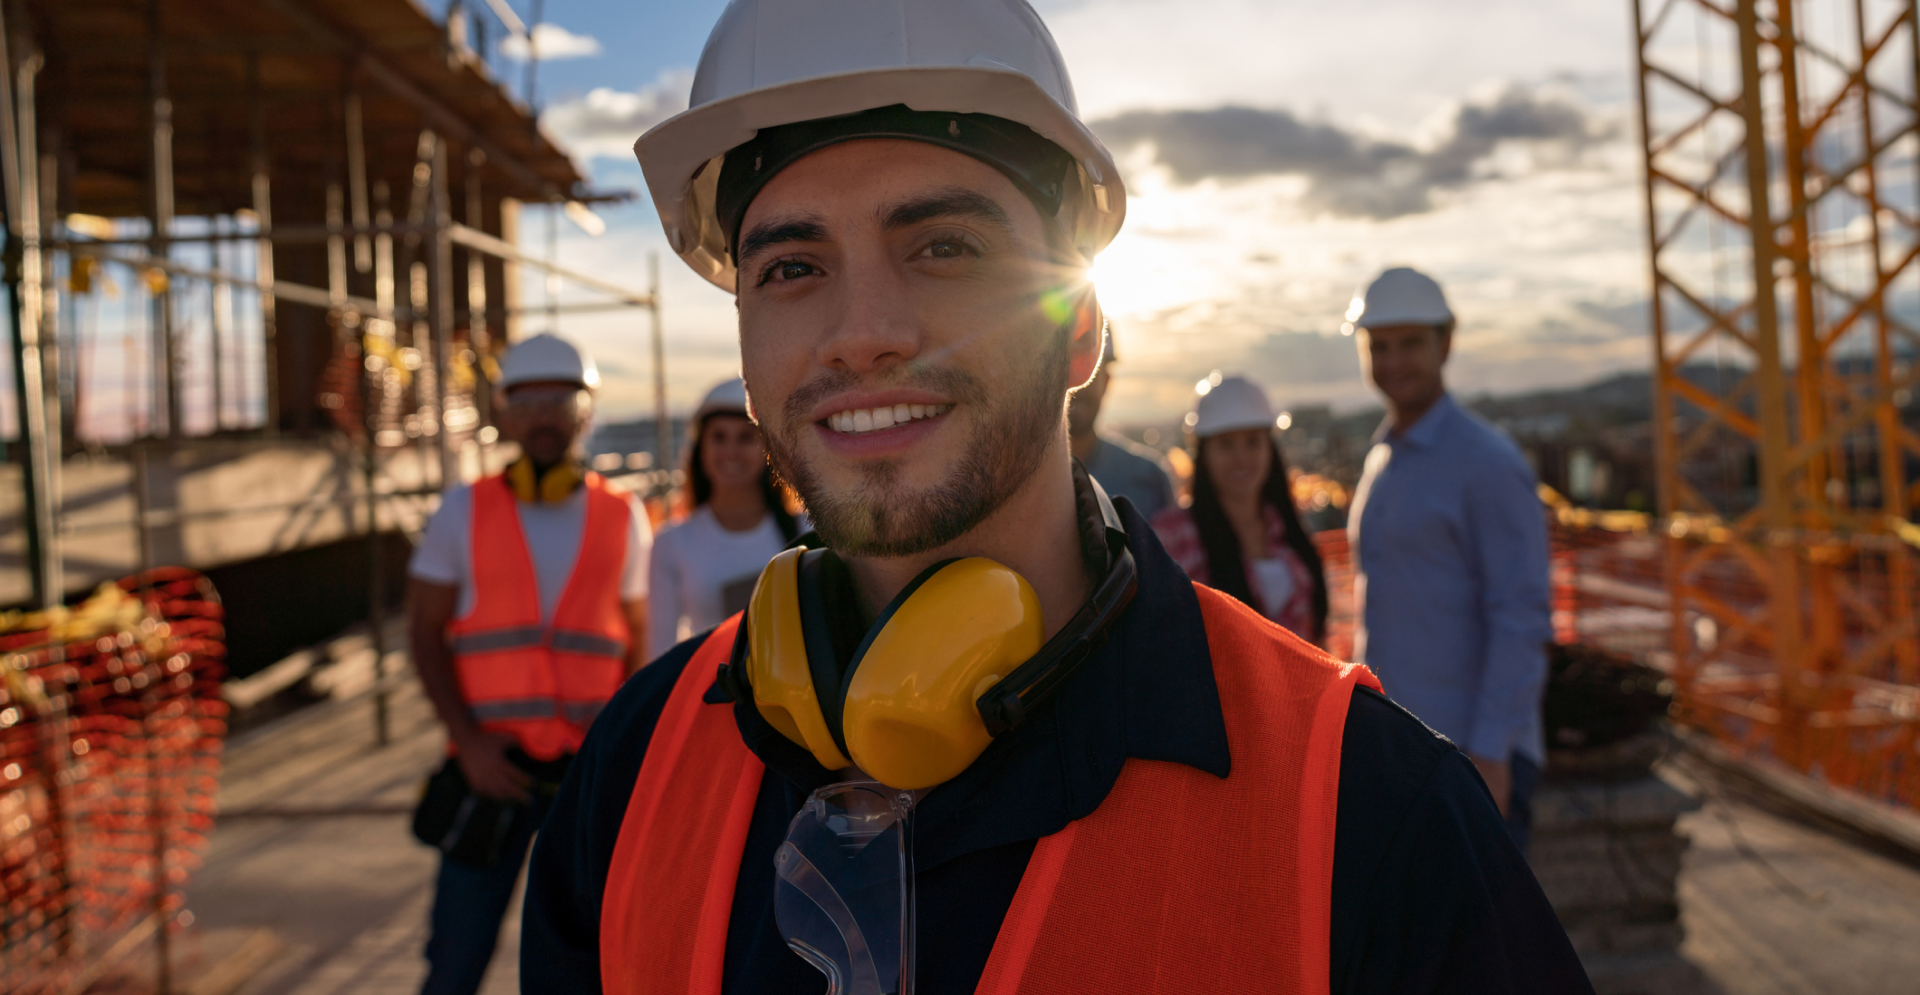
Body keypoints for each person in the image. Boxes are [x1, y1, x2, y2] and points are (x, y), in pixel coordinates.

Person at [522, 3, 1591, 993]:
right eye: (792, 267)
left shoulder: (1370, 813)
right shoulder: (631, 777)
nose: (863, 329)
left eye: (945, 247)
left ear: (1080, 325)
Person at [405, 333, 652, 995]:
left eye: (560, 399)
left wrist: (622, 753)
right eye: (529, 400)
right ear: (505, 415)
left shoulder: (622, 515)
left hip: (587, 776)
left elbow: (638, 644)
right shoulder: (463, 510)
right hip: (492, 772)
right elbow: (425, 633)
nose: (544, 414)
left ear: (585, 412)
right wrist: (469, 742)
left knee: (591, 965)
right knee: (454, 963)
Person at [1346, 266, 1554, 853]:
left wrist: (1490, 755)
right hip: (1406, 752)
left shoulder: (1486, 463)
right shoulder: (1383, 461)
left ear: (1446, 342)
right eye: (1379, 347)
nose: (1393, 362)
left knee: (1483, 944)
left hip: (1469, 758)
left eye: (1411, 343)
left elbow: (1520, 616)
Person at [1152, 375, 1328, 644]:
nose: (1241, 458)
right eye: (1226, 444)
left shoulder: (1287, 527)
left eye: (1252, 442)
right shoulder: (1171, 536)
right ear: (1204, 454)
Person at [648, 377, 804, 656]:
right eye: (718, 437)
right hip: (714, 698)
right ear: (700, 450)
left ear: (769, 450)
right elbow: (660, 652)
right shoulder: (671, 544)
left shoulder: (807, 531)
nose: (730, 451)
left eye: (745, 438)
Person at [1068, 332, 1175, 518]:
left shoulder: (1149, 480)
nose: (1079, 387)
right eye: (1066, 370)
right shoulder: (1009, 481)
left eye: (1088, 373)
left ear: (1107, 381)